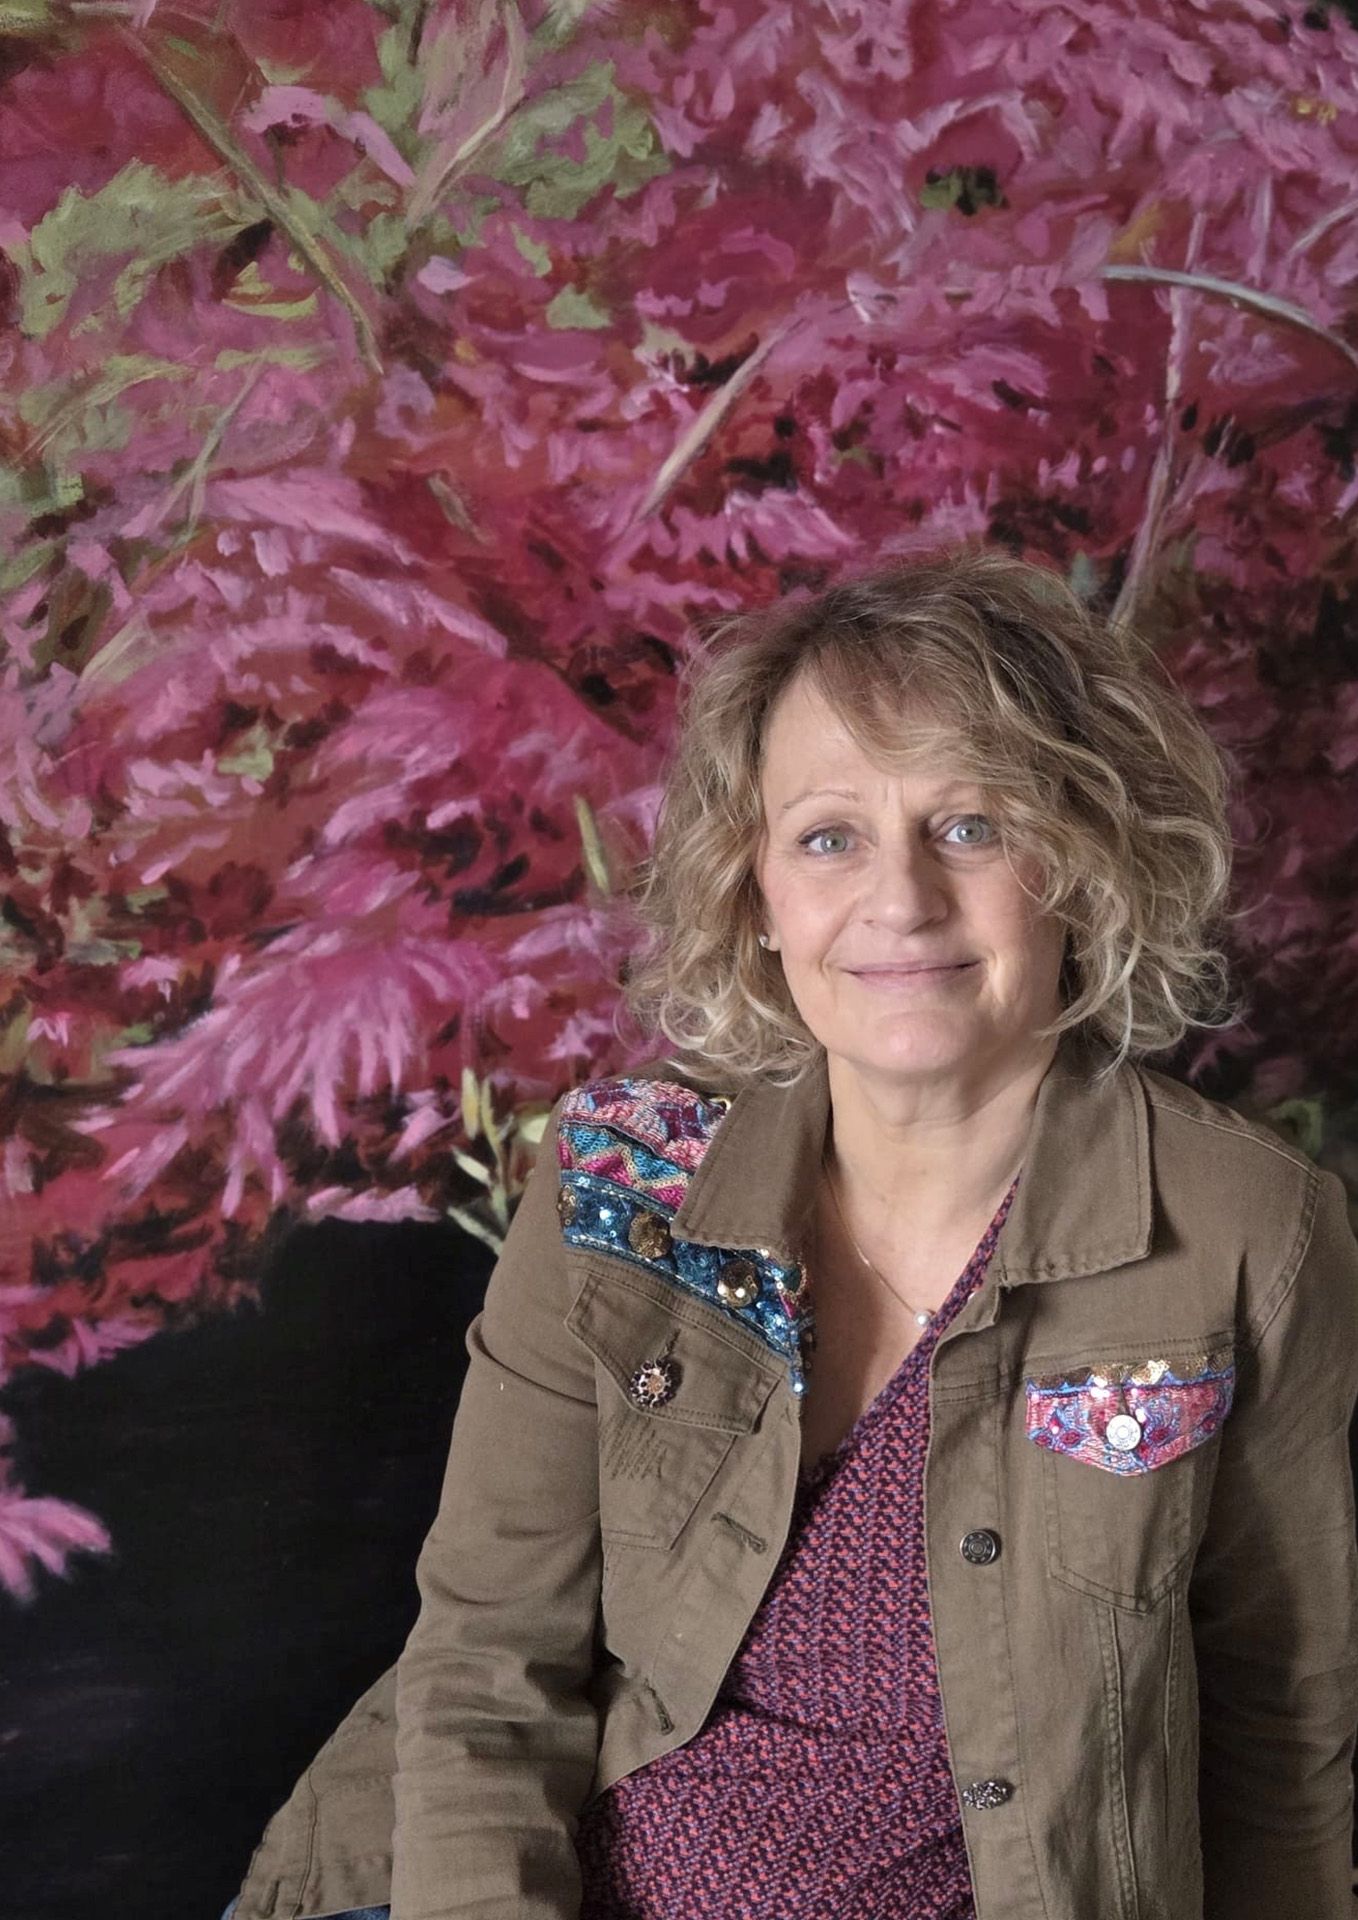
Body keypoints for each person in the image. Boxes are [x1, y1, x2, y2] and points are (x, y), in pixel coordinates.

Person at [224, 546, 1358, 1920]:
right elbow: (484, 1664)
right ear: (754, 893)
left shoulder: (1244, 1230)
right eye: (828, 837)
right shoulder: (620, 1175)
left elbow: (1279, 1739)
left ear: (1082, 862)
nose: (902, 901)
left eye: (970, 825)